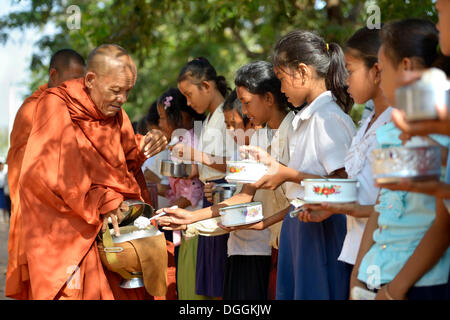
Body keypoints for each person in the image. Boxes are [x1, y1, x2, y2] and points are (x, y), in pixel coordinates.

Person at [16, 44, 168, 300]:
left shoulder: (116, 113)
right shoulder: (56, 104)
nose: (122, 99)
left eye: (128, 91)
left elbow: (125, 156)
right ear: (90, 80)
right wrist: (101, 200)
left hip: (111, 226)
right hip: (72, 228)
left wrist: (148, 144)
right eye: (116, 90)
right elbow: (56, 169)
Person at [235, 30, 356, 300]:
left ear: (301, 72)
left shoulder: (328, 117)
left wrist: (286, 174)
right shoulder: (309, 117)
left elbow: (344, 188)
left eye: (281, 79)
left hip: (321, 228)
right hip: (301, 224)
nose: (280, 89)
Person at [351, 19, 450, 300]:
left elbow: (444, 225)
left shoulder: (441, 122)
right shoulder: (393, 127)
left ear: (405, 67)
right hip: (378, 273)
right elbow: (382, 207)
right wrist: (357, 277)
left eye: (382, 69)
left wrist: (395, 290)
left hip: (422, 282)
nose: (378, 78)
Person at [301, 27, 391, 269]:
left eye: (350, 71)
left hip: (384, 256)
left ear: (376, 70)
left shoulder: (397, 124)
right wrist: (332, 208)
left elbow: (392, 205)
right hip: (355, 250)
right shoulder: (366, 123)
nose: (345, 80)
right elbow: (361, 190)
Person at [5, 48, 86, 300]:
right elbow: (29, 171)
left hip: (69, 219)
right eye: (70, 82)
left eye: (80, 83)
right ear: (53, 76)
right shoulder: (33, 111)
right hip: (41, 219)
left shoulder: (72, 109)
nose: (76, 89)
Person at [171, 57, 235, 298]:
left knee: (219, 279)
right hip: (211, 194)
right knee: (209, 282)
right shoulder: (208, 119)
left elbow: (236, 163)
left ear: (207, 86)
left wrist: (197, 155)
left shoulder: (228, 114)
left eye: (189, 95)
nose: (188, 102)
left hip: (227, 195)